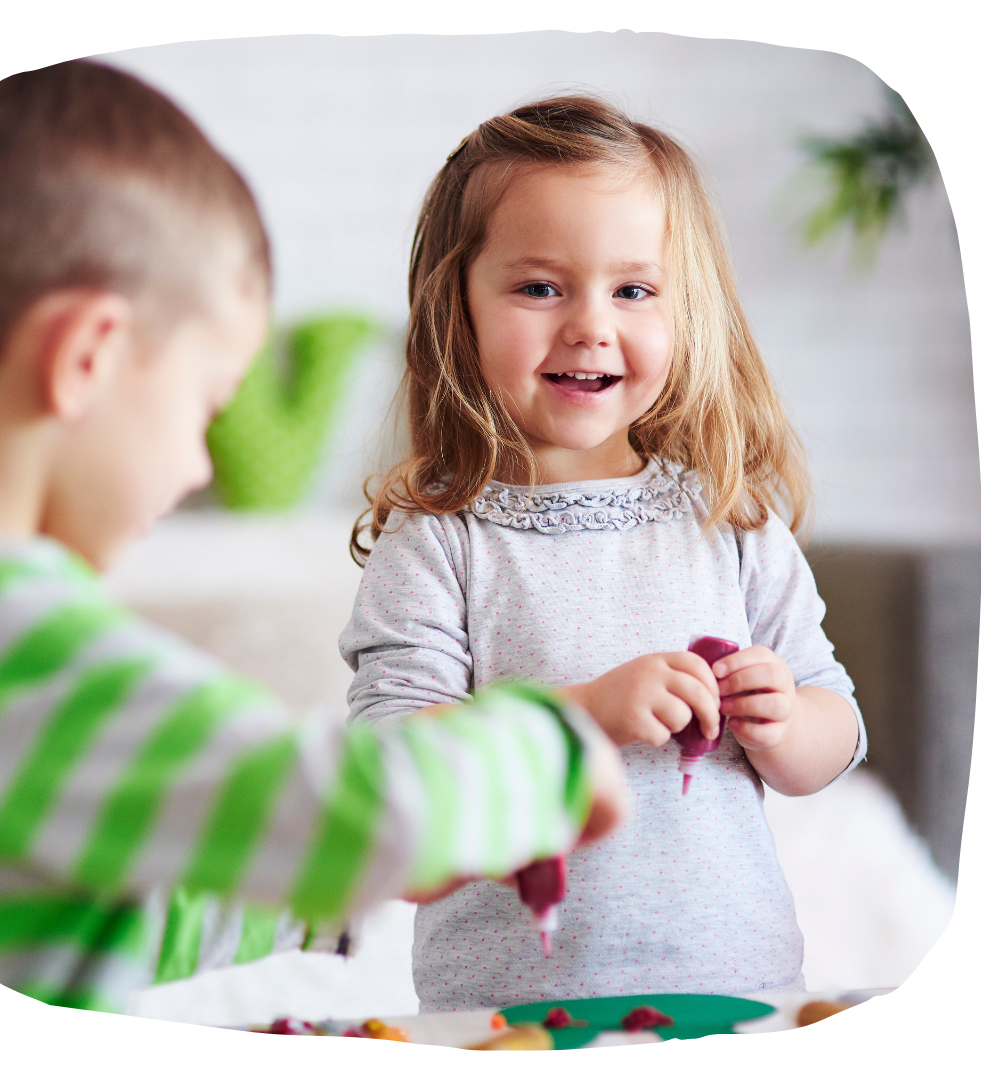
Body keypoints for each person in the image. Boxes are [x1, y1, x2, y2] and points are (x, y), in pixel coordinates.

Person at [0, 64, 626, 1028]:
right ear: (86, 358)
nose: (190, 468)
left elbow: (65, 919)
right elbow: (342, 800)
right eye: (204, 408)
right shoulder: (16, 639)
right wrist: (550, 748)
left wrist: (311, 910)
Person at [341, 96, 867, 1010]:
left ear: (682, 310)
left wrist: (786, 722)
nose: (590, 324)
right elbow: (392, 775)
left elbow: (835, 728)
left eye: (633, 290)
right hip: (508, 1010)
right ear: (454, 306)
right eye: (541, 287)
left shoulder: (731, 523)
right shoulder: (437, 544)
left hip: (734, 995)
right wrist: (578, 715)